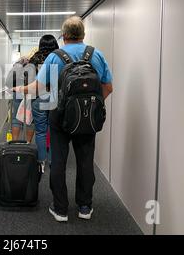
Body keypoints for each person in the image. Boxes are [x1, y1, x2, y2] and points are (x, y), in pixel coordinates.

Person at [13, 16, 113, 222]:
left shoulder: (55, 57)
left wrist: (20, 88)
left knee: (58, 161)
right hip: (88, 119)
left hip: (59, 115)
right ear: (83, 34)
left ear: (64, 36)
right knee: (85, 161)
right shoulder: (97, 55)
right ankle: (85, 207)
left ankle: (60, 209)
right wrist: (92, 107)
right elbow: (108, 87)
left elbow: (38, 88)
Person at [27, 35, 59, 173]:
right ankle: (52, 161)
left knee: (40, 131)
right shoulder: (58, 58)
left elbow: (28, 78)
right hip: (54, 98)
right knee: (53, 131)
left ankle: (41, 162)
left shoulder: (34, 59)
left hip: (38, 97)